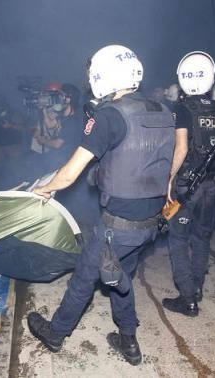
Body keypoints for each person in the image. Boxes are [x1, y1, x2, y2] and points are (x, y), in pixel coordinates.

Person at [26, 45, 175, 366]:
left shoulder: (110, 116)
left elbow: (69, 174)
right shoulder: (163, 110)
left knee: (84, 279)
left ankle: (56, 332)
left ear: (103, 77)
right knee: (119, 278)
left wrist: (45, 188)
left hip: (117, 225)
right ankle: (129, 340)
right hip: (151, 223)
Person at [162, 51, 215, 317]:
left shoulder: (183, 109)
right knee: (201, 236)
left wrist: (168, 180)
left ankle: (187, 298)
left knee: (177, 239)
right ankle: (197, 285)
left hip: (188, 186)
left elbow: (181, 149)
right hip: (213, 185)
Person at [30, 82, 81, 173]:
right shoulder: (63, 115)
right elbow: (49, 125)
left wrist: (41, 140)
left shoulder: (72, 122)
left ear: (68, 99)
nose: (56, 100)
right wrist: (44, 108)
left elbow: (57, 144)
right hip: (56, 159)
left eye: (59, 97)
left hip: (65, 162)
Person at [0, 95, 25, 190]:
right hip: (0, 146)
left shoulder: (13, 113)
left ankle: (22, 188)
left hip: (14, 146)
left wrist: (10, 125)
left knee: (16, 169)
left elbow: (23, 128)